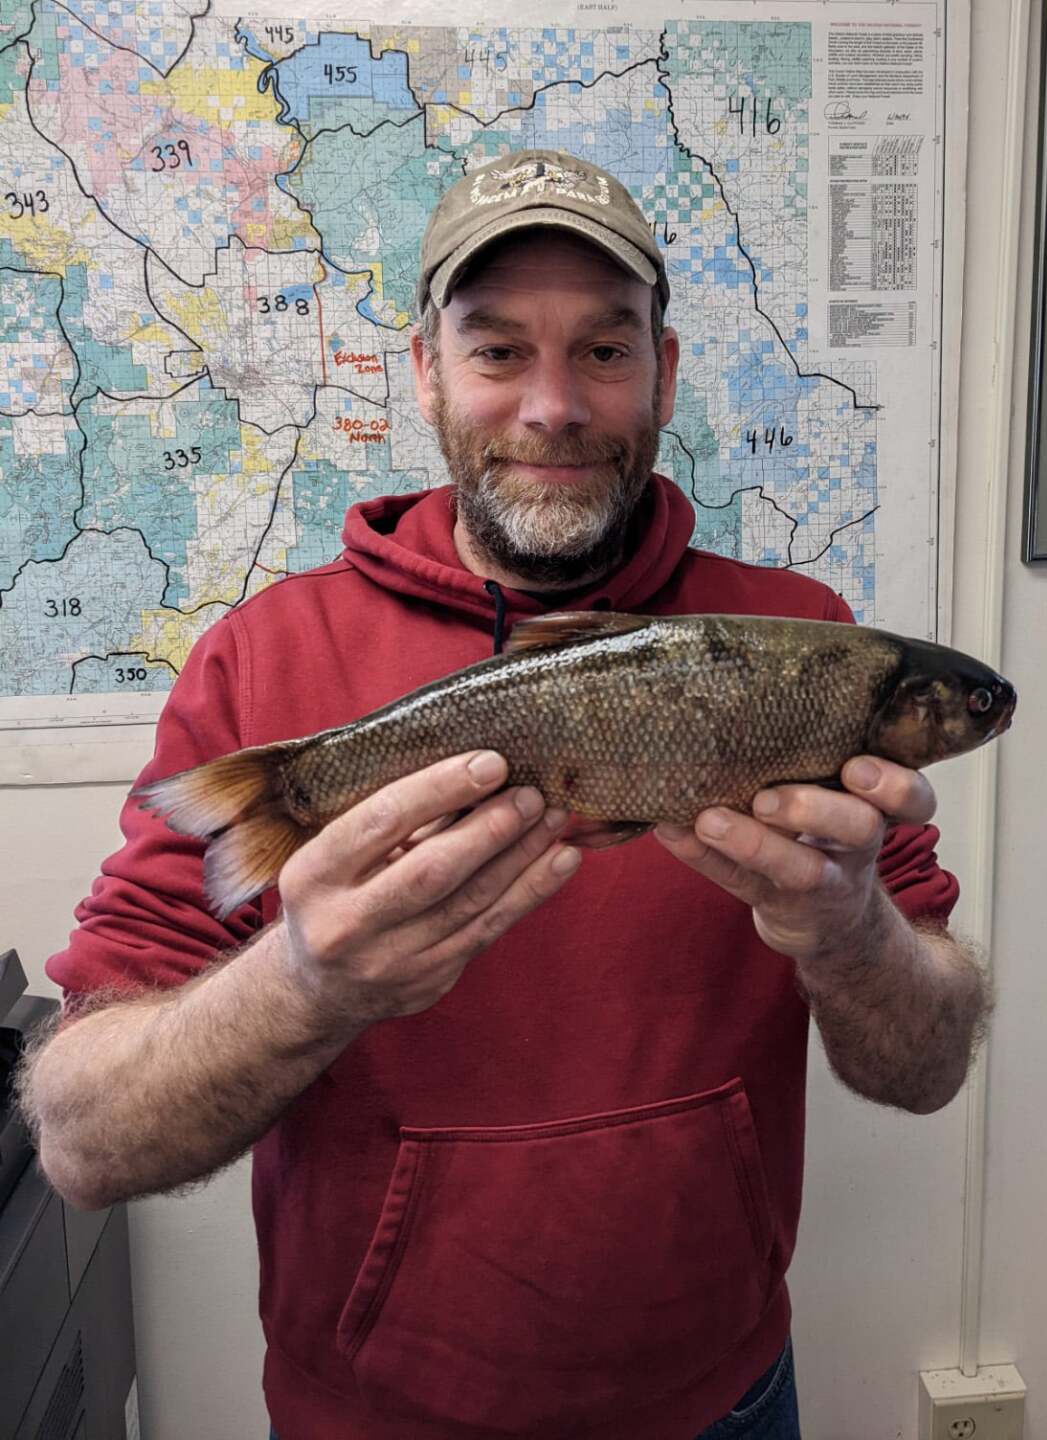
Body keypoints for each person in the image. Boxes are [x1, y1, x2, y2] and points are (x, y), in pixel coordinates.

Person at [20, 150, 988, 1440]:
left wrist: (851, 930)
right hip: (374, 1417)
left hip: (726, 1400)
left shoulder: (797, 639)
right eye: (495, 351)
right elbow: (85, 1144)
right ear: (425, 370)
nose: (552, 406)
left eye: (603, 349)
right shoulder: (264, 665)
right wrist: (308, 985)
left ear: (666, 371)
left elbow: (924, 1068)